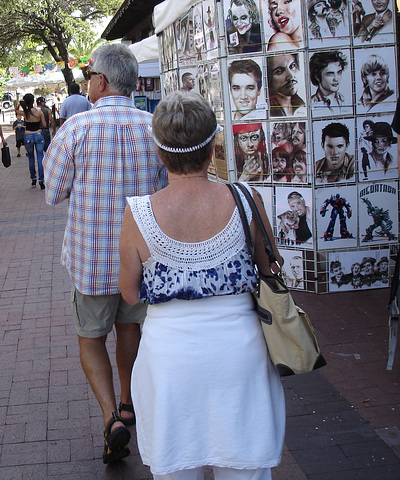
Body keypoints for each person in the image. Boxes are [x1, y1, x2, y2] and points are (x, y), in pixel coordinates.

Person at [118, 91, 285, 479]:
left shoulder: (138, 213)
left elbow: (129, 292)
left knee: (177, 466)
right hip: (240, 354)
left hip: (170, 359)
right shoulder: (246, 199)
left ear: (160, 154)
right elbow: (269, 267)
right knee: (244, 466)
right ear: (212, 148)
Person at [44, 44, 168, 465]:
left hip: (92, 261)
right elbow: (170, 191)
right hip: (143, 261)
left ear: (99, 81)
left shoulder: (75, 130)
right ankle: (131, 400)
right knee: (130, 328)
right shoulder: (154, 128)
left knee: (91, 336)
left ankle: (109, 416)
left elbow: (53, 192)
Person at [16, 93, 46, 189]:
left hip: (28, 135)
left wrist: (20, 103)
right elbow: (44, 124)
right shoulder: (39, 112)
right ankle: (41, 179)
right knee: (40, 157)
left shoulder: (25, 113)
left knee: (31, 158)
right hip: (38, 134)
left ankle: (33, 178)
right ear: (33, 101)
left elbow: (16, 110)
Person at [309, 51, 349, 115]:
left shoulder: (345, 99)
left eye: (339, 73)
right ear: (317, 77)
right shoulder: (310, 103)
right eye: (330, 74)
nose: (336, 79)